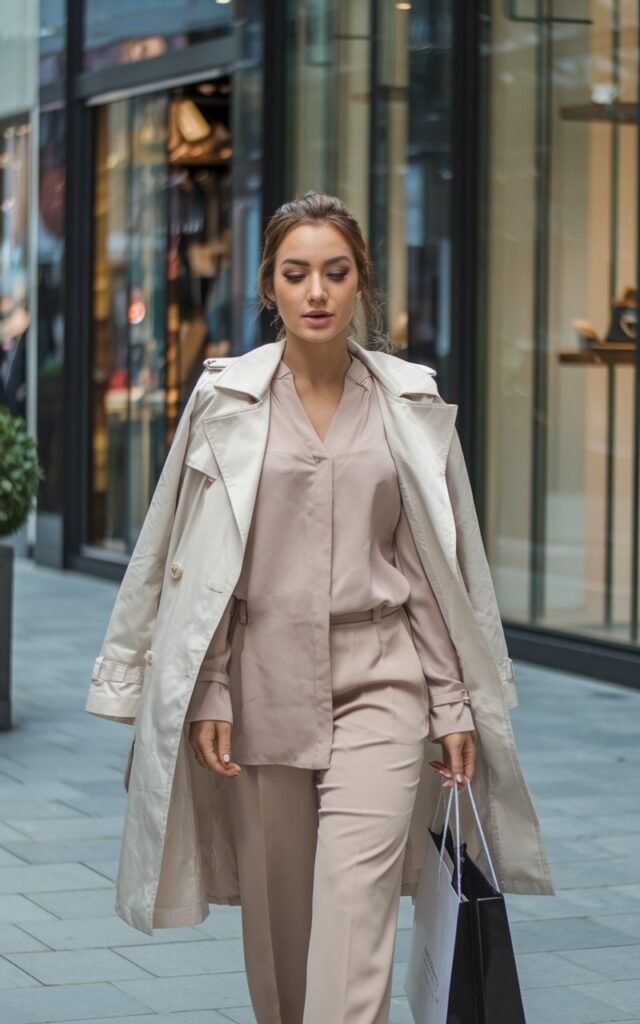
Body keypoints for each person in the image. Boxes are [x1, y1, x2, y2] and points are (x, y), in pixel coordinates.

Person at [85, 192, 554, 1024]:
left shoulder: (409, 402)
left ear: (360, 281)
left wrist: (452, 701)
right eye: (296, 273)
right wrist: (211, 687)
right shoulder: (226, 400)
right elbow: (192, 558)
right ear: (270, 284)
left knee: (354, 917)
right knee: (282, 937)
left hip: (384, 678)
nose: (316, 292)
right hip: (261, 683)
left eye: (335, 273)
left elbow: (435, 570)